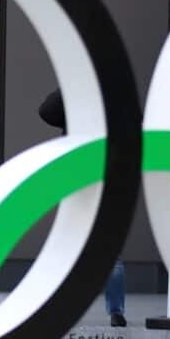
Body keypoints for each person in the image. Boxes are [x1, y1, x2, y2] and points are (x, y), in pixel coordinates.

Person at [37, 89, 127, 326]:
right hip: (77, 179)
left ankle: (116, 310)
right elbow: (47, 112)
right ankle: (61, 307)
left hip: (105, 180)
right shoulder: (77, 98)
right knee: (67, 245)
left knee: (108, 249)